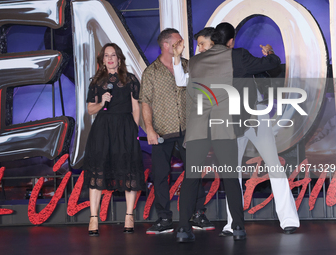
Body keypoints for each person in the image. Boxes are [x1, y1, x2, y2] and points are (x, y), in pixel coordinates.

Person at [174, 26, 300, 236]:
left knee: (246, 170)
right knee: (248, 170)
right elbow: (271, 63)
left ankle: (246, 223)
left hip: (241, 118)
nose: (200, 49)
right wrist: (270, 53)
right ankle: (251, 223)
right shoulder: (231, 57)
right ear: (230, 41)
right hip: (240, 119)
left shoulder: (219, 59)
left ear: (214, 43)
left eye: (202, 44)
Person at [140, 28, 215, 235]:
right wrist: (149, 129)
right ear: (166, 46)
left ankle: (197, 213)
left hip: (188, 130)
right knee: (161, 176)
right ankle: (164, 218)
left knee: (193, 173)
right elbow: (145, 102)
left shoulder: (187, 66)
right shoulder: (151, 72)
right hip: (162, 131)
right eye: (178, 42)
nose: (182, 45)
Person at [83, 43, 145, 236]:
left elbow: (136, 108)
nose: (110, 59)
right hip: (103, 129)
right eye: (106, 56)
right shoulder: (96, 82)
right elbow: (90, 109)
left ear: (119, 58)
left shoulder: (131, 79)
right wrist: (102, 103)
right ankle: (94, 218)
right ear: (102, 60)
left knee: (128, 171)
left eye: (113, 55)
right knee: (98, 171)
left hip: (125, 127)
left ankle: (129, 216)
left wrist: (134, 130)